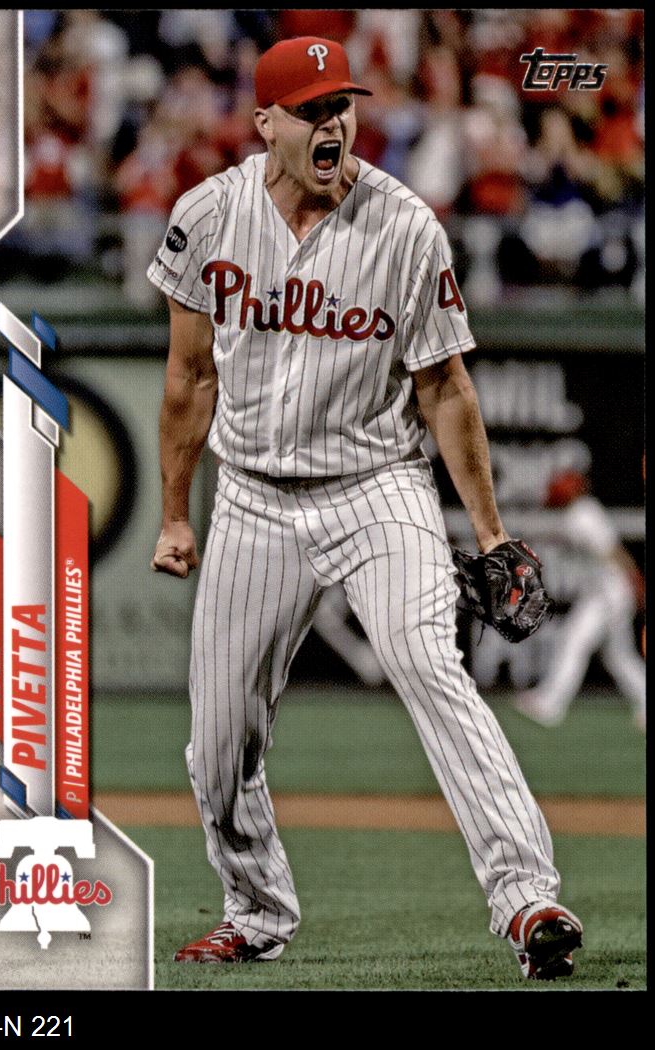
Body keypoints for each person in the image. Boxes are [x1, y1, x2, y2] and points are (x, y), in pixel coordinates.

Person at [147, 36, 583, 980]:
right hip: (253, 497)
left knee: (427, 662)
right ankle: (254, 911)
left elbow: (445, 388)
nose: (332, 124)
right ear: (264, 123)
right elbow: (188, 378)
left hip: (377, 486)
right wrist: (176, 514)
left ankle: (526, 897)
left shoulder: (405, 225)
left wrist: (490, 531)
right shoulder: (208, 215)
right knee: (218, 741)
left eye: (340, 105)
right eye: (309, 110)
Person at [515, 469, 646, 731]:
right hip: (605, 591)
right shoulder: (580, 511)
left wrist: (634, 581)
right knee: (619, 656)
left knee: (574, 641)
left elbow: (612, 551)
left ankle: (550, 704)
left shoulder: (583, 514)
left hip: (608, 593)